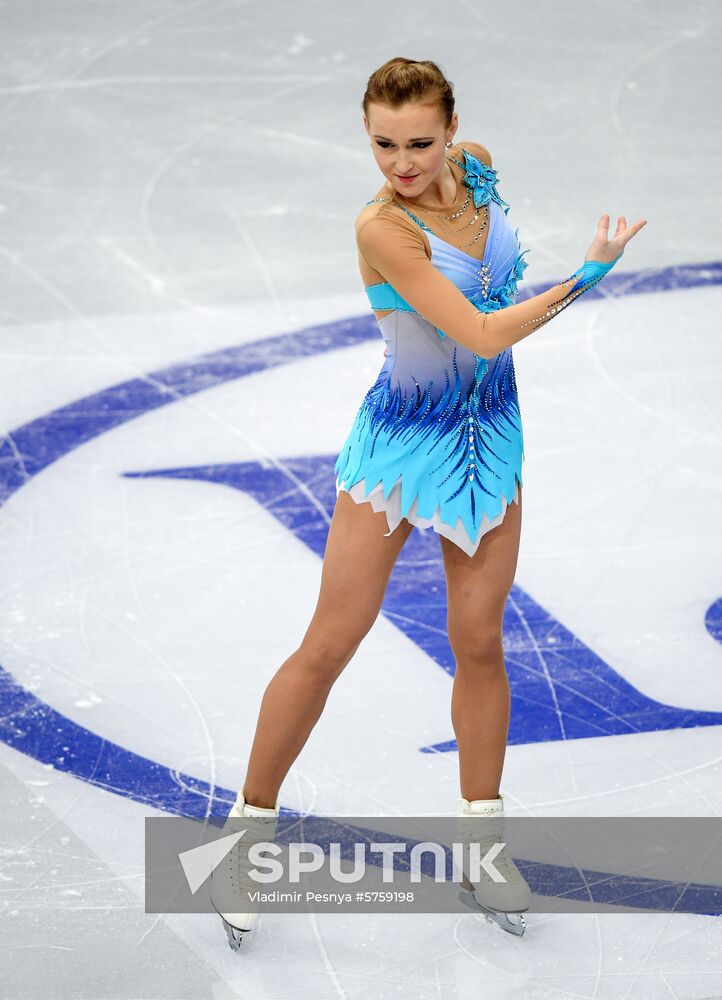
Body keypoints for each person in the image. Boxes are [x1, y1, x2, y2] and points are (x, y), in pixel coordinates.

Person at [210, 56, 647, 948]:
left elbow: (491, 303)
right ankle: (245, 835)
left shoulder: (478, 167)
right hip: (403, 440)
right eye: (381, 143)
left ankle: (482, 846)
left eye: (417, 142)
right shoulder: (382, 230)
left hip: (488, 434)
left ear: (452, 131)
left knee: (480, 639)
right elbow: (482, 330)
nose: (400, 162)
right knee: (331, 641)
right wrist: (591, 276)